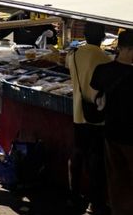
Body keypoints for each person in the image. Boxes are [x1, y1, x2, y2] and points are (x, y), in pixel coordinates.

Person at [67, 22, 112, 213]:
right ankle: (95, 202)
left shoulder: (74, 55)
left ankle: (74, 195)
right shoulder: (106, 59)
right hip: (98, 116)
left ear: (84, 35)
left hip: (79, 113)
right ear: (102, 36)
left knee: (78, 155)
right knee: (96, 161)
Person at [90, 29, 133, 214]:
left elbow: (94, 98)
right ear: (129, 50)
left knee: (116, 179)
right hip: (130, 135)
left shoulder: (103, 70)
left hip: (110, 132)